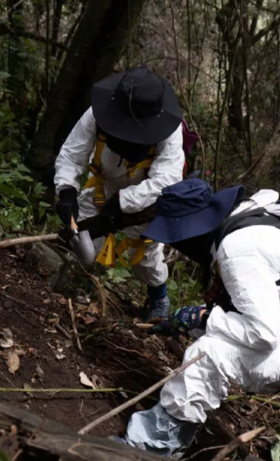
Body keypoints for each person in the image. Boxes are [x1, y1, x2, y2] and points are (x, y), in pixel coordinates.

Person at [118, 179, 280, 460]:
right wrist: (200, 320)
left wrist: (204, 318)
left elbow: (263, 334)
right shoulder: (253, 219)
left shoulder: (236, 248)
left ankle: (147, 448)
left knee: (210, 355)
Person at [54, 66, 185, 320]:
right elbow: (72, 154)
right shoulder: (97, 114)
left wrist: (123, 204)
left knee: (144, 258)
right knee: (82, 241)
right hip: (102, 187)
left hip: (144, 198)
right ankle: (75, 281)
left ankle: (158, 295)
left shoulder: (169, 131)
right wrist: (66, 190)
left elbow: (167, 180)